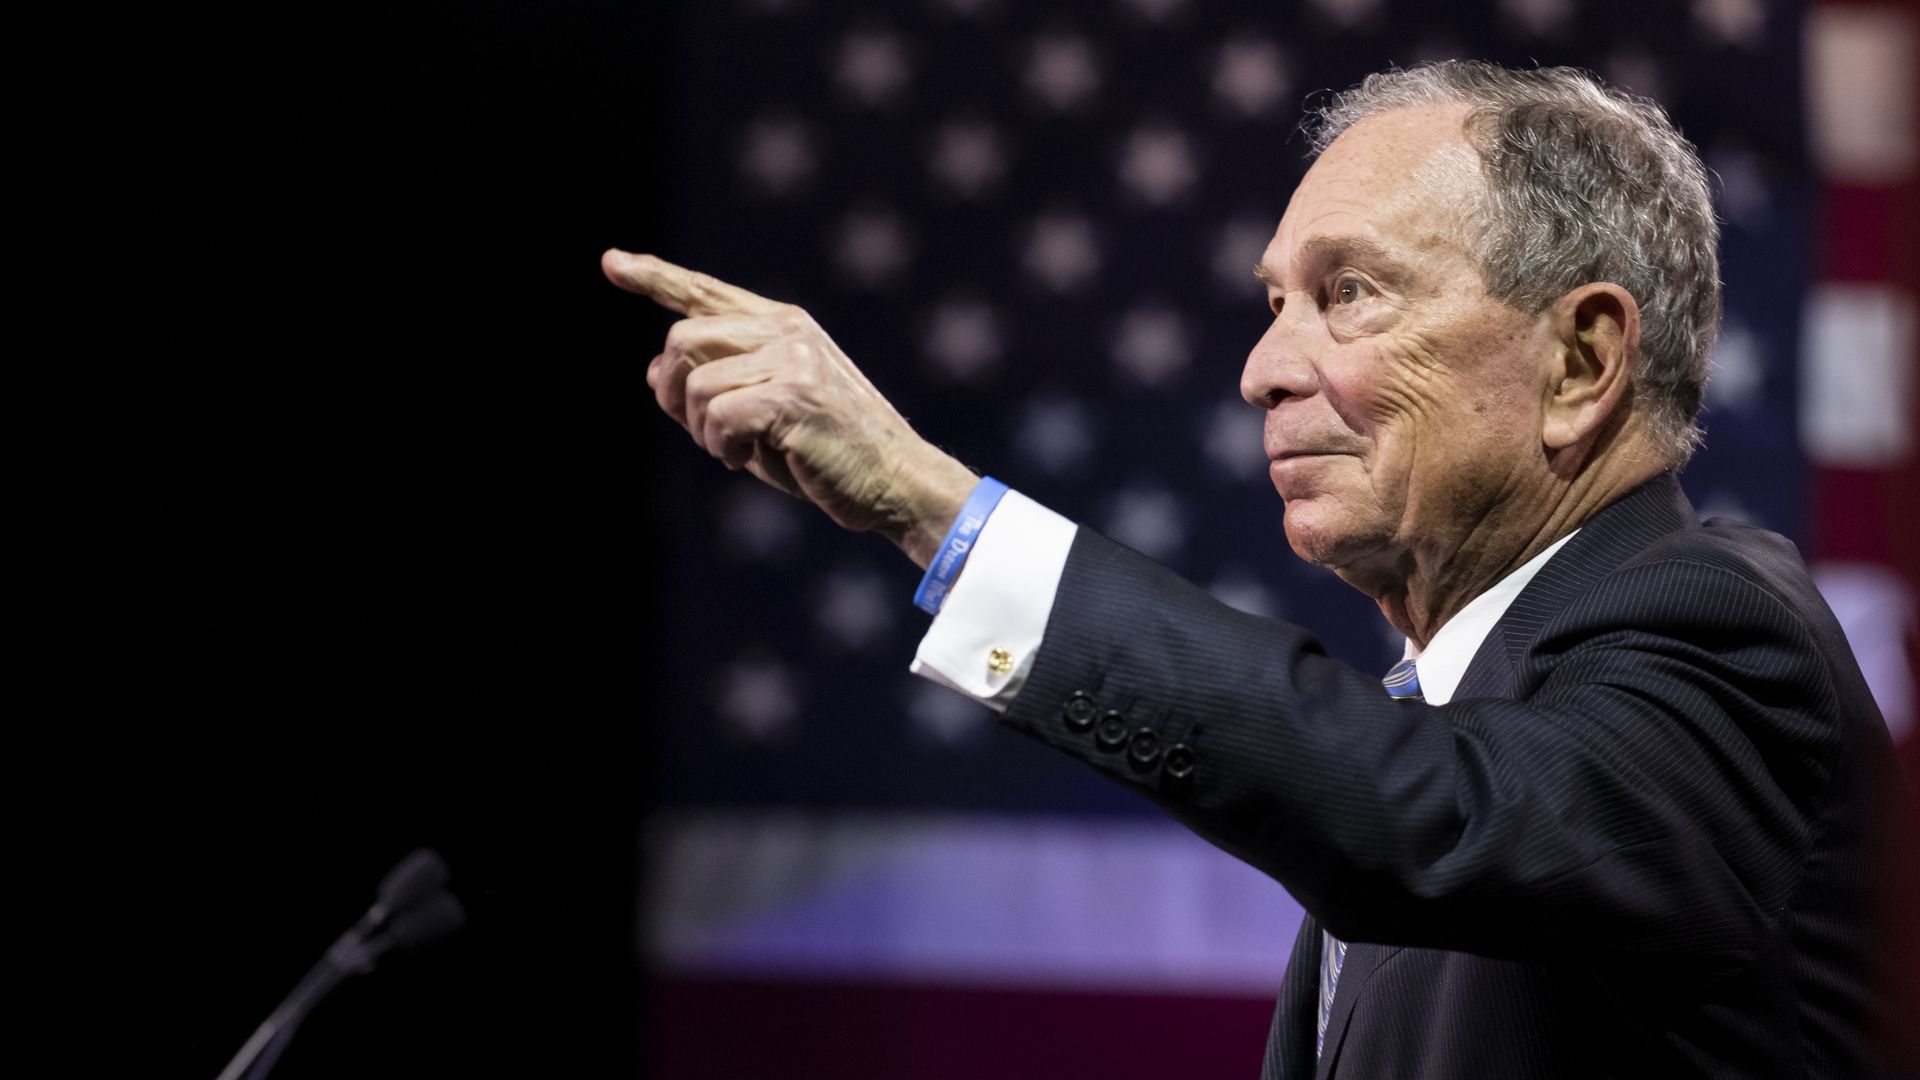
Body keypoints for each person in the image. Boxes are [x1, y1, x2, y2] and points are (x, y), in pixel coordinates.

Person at [606, 61, 1903, 1078]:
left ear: (1579, 363)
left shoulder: (1725, 632)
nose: (1265, 369)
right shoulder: (1461, 696)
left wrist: (933, 505)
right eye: (1273, 301)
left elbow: (1426, 821)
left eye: (1350, 294)